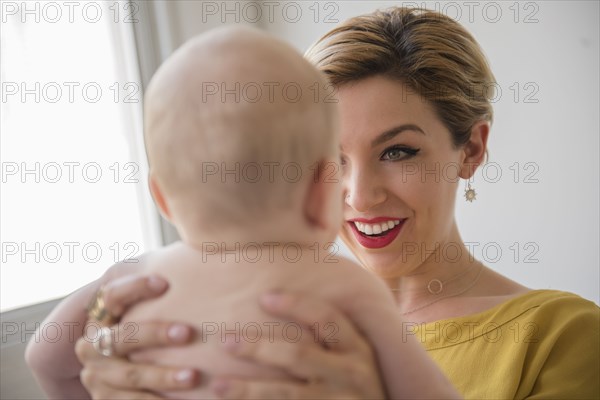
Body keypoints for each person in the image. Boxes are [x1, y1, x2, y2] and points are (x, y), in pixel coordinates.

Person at [27, 7, 600, 400]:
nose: (358, 194)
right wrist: (107, 342)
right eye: (330, 157)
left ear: (471, 149)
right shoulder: (210, 304)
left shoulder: (561, 337)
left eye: (398, 150)